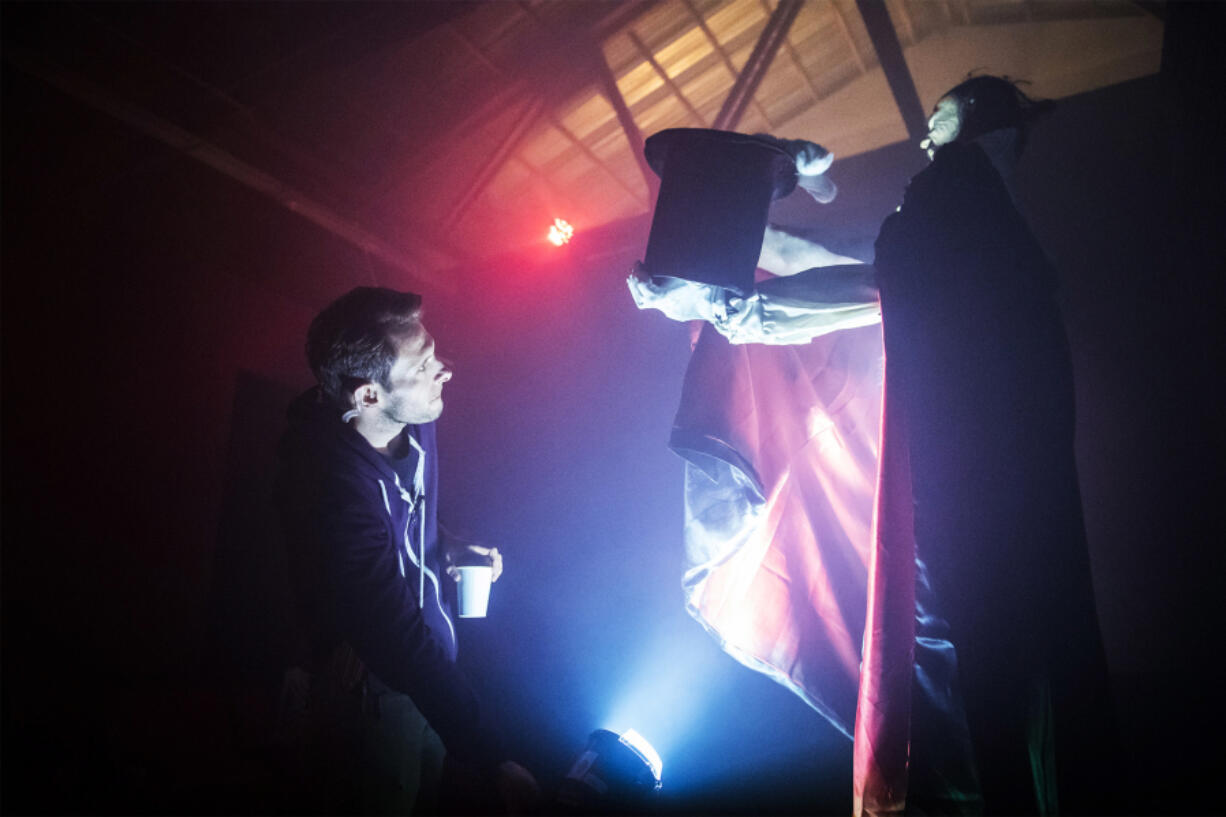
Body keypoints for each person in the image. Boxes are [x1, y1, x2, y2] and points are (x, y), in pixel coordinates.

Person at [631, 75, 1116, 815]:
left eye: (940, 120)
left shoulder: (958, 201)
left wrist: (740, 303)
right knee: (963, 645)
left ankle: (960, 789)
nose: (925, 137)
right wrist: (735, 276)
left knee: (957, 643)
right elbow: (860, 268)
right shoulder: (968, 208)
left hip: (967, 484)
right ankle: (968, 784)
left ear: (980, 120)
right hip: (975, 477)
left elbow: (875, 281)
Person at [275, 286, 539, 815]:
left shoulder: (416, 420)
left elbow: (401, 516)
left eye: (433, 353)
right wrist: (491, 756)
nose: (444, 370)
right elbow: (389, 630)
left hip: (429, 672)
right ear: (368, 396)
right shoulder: (331, 486)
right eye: (423, 367)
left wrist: (449, 545)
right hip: (379, 687)